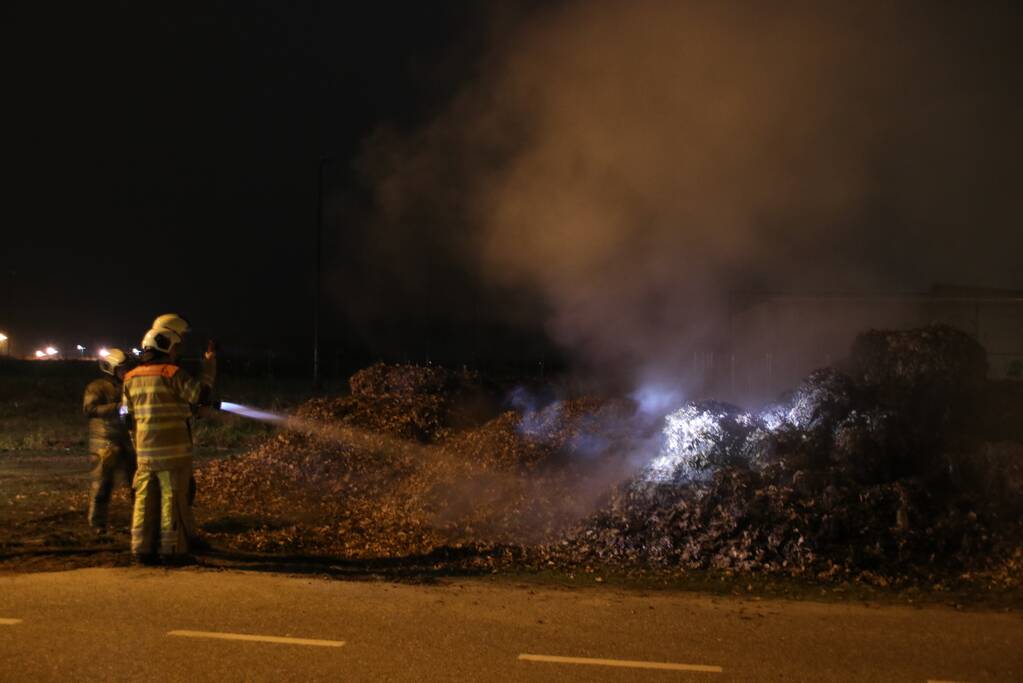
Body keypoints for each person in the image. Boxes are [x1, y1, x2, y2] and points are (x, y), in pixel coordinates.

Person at [121, 327, 215, 564]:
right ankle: (171, 550)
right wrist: (209, 367)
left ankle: (141, 549)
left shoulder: (130, 378)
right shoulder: (172, 373)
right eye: (175, 348)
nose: (177, 353)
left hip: (144, 453)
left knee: (143, 500)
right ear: (165, 347)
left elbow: (126, 416)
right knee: (170, 500)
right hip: (172, 452)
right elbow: (200, 395)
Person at [82, 348, 136, 532]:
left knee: (136, 482)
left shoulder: (127, 386)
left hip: (126, 440)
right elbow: (89, 409)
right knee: (102, 484)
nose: (126, 372)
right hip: (103, 441)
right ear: (110, 368)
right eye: (122, 369)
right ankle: (97, 523)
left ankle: (140, 521)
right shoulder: (96, 387)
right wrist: (118, 407)